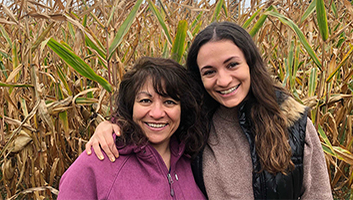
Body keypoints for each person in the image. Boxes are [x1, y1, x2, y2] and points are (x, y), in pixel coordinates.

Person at [85, 22, 332, 199]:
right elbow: (154, 118)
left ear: (250, 64)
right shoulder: (195, 124)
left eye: (232, 65)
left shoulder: (293, 124)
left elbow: (319, 194)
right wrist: (112, 125)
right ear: (199, 78)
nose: (223, 81)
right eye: (209, 72)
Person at [58, 57, 206, 199]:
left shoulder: (192, 157)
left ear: (183, 108)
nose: (157, 113)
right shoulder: (98, 162)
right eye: (146, 101)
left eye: (169, 102)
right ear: (130, 106)